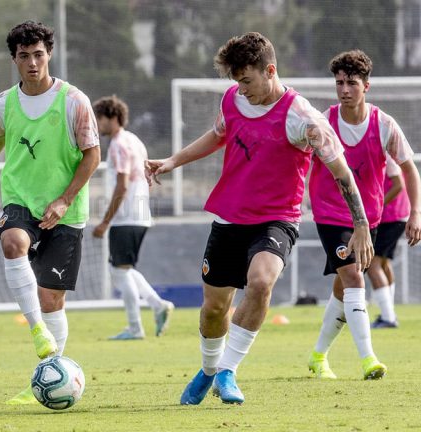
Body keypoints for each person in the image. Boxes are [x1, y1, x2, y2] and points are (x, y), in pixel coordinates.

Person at [145, 32, 372, 405]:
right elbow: (218, 135)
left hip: (277, 219)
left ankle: (228, 372)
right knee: (214, 309)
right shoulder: (233, 99)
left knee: (261, 281)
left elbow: (342, 172)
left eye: (247, 81)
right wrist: (173, 161)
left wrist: (361, 224)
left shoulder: (305, 118)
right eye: (237, 82)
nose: (242, 89)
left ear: (270, 70)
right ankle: (208, 370)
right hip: (230, 217)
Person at [0, 21, 100, 404]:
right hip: (21, 200)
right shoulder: (4, 103)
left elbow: (92, 154)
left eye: (39, 54)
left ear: (49, 54)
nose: (32, 62)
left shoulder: (74, 101)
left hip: (67, 209)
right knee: (12, 243)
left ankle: (51, 374)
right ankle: (36, 331)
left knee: (52, 301)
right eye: (24, 56)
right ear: (14, 59)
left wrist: (64, 199)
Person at [307, 50, 420, 380]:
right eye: (339, 83)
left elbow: (409, 171)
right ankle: (369, 359)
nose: (344, 90)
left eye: (351, 83)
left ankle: (317, 356)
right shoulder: (322, 122)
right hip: (330, 215)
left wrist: (416, 213)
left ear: (366, 86)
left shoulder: (384, 125)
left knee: (343, 290)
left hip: (369, 220)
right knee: (355, 277)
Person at [91, 95, 174, 340]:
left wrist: (106, 221)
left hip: (125, 216)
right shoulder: (135, 141)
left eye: (100, 119)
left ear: (112, 117)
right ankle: (157, 305)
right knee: (122, 269)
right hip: (139, 214)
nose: (98, 124)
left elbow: (122, 186)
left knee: (119, 271)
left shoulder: (118, 144)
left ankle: (135, 327)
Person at [367, 161, 410, 328]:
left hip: (390, 217)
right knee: (384, 263)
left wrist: (378, 206)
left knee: (372, 264)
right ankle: (389, 313)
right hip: (395, 216)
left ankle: (388, 317)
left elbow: (398, 185)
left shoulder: (386, 153)